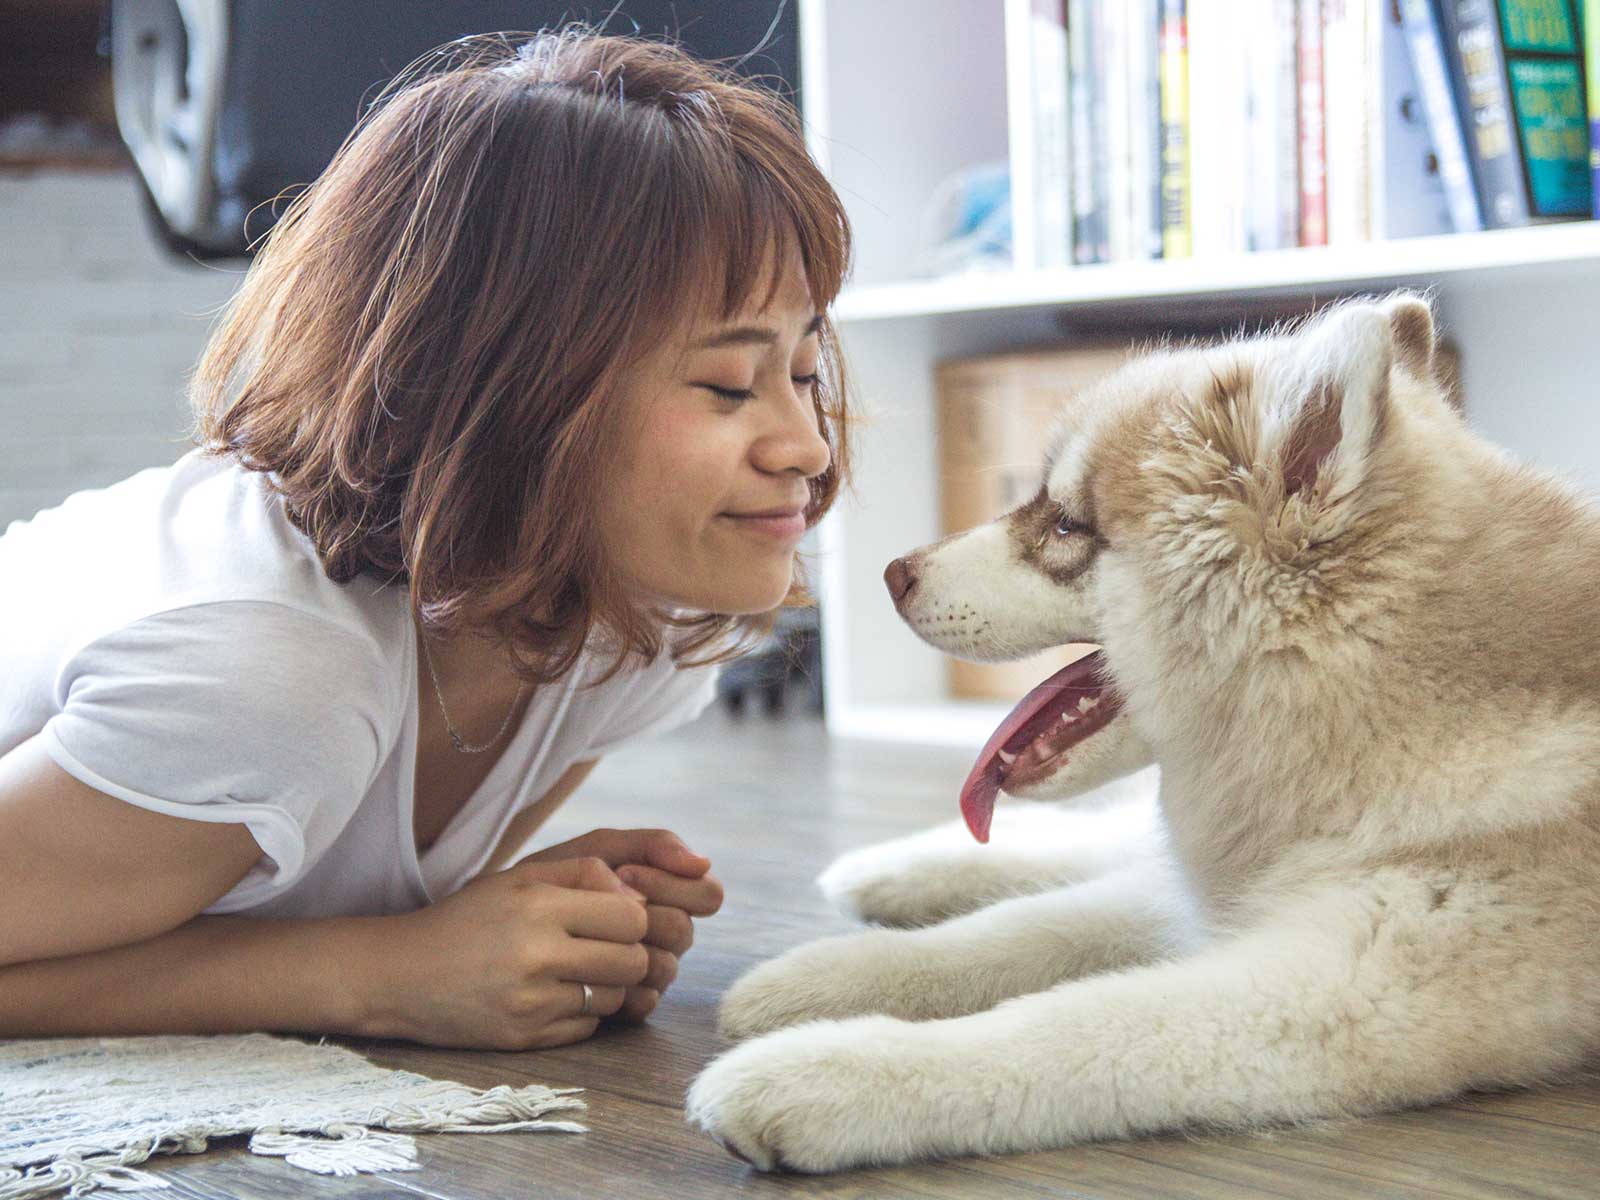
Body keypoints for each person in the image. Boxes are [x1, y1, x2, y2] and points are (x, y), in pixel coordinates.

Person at [0, 25, 852, 1052]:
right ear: (504, 393)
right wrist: (376, 976)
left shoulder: (637, 622)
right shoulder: (268, 676)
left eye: (802, 371)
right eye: (726, 385)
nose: (807, 445)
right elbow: (365, 948)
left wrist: (530, 925)